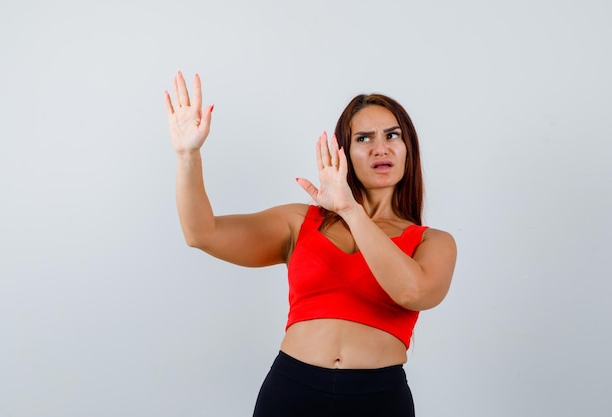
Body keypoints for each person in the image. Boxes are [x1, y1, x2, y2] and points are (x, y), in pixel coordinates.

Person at [164, 71, 457, 417]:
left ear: (409, 147)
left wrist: (351, 210)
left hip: (378, 399)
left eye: (392, 135)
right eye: (364, 139)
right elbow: (202, 233)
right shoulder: (300, 222)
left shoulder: (432, 242)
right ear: (344, 152)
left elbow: (414, 292)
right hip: (292, 390)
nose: (381, 148)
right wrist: (188, 156)